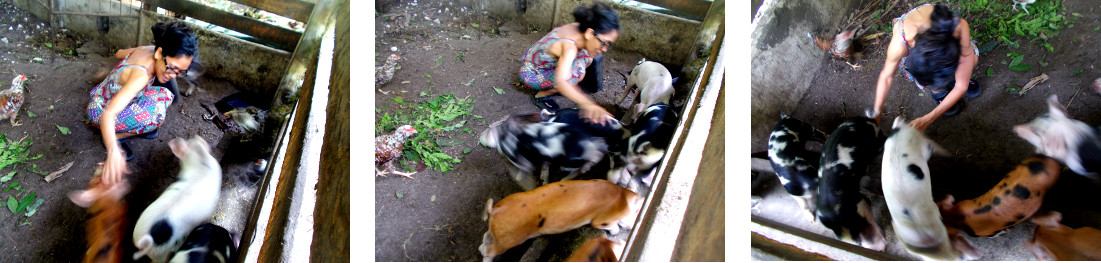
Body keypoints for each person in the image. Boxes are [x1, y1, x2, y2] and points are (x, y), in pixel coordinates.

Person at [87, 21, 197, 185]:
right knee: (156, 117)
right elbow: (109, 114)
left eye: (180, 72)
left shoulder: (148, 49)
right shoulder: (141, 76)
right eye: (172, 68)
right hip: (102, 111)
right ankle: (113, 137)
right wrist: (113, 151)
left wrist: (120, 75)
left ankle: (131, 128)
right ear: (160, 53)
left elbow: (119, 53)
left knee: (163, 94)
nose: (173, 75)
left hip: (104, 94)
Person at [873, 4, 981, 131]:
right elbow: (886, 76)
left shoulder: (957, 26)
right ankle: (938, 92)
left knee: (971, 59)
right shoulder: (899, 46)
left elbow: (961, 86)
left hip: (942, 43)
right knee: (928, 78)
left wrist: (928, 119)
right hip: (920, 50)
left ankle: (949, 83)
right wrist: (876, 114)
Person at [519, 2, 618, 125]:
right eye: (604, 43)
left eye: (609, 44)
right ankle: (541, 95)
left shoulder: (581, 28)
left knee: (589, 58)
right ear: (589, 33)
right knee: (576, 74)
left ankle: (561, 84)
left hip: (538, 59)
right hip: (531, 72)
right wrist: (588, 104)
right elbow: (561, 82)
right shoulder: (569, 47)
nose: (605, 49)